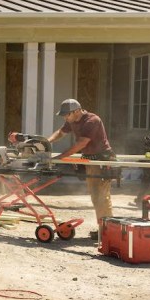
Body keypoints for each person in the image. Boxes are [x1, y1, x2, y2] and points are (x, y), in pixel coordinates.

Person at [47, 98, 114, 238]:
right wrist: (46, 141)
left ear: (77, 111)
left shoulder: (92, 121)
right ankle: (104, 229)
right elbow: (61, 132)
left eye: (67, 115)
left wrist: (60, 157)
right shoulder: (72, 120)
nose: (65, 117)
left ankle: (108, 231)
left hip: (102, 159)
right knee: (95, 195)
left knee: (102, 196)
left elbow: (81, 144)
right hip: (90, 159)